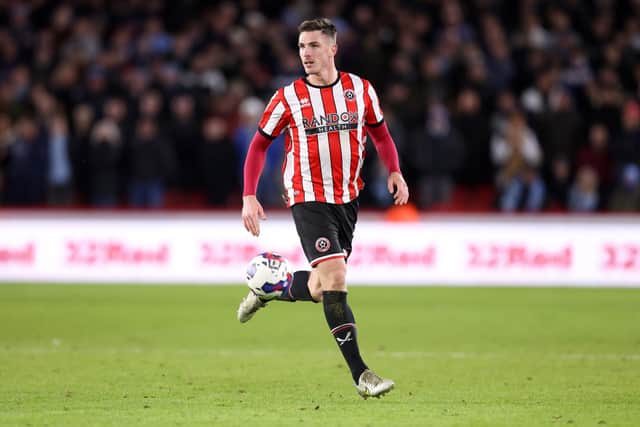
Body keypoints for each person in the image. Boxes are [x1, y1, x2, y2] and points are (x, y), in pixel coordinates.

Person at [237, 18, 409, 399]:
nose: (306, 54)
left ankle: (270, 289)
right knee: (335, 278)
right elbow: (259, 146)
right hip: (307, 197)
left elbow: (380, 134)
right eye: (301, 47)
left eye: (313, 46)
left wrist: (394, 170)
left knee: (318, 286)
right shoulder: (287, 98)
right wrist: (250, 194)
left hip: (347, 199)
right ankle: (361, 375)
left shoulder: (360, 90)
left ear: (333, 48)